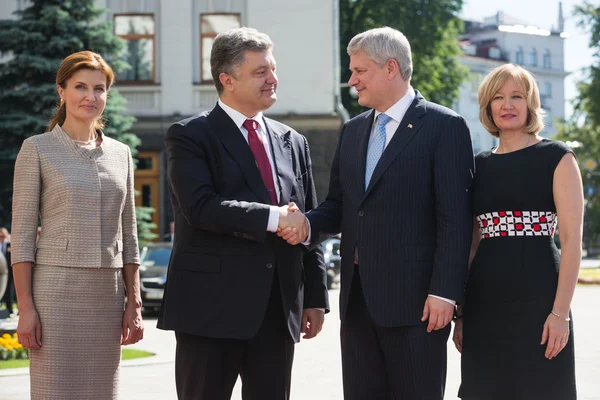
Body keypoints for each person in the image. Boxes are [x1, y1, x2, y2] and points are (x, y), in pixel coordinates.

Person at [279, 27, 474, 399]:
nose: (351, 81)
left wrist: (446, 293)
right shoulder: (352, 131)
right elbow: (338, 206)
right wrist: (305, 224)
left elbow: (455, 219)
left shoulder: (444, 127)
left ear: (390, 68)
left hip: (419, 307)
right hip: (358, 305)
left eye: (359, 71)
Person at [156, 27, 329, 400]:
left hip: (276, 312)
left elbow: (307, 220)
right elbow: (201, 207)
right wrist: (274, 217)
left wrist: (314, 297)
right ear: (227, 79)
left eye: (273, 69)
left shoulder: (293, 141)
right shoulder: (189, 135)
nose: (273, 79)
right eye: (260, 72)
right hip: (210, 310)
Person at [11, 50, 143, 399]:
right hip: (56, 294)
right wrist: (26, 308)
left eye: (99, 89)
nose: (90, 96)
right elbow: (22, 238)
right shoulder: (36, 150)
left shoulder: (121, 154)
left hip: (108, 296)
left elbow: (129, 235)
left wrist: (135, 303)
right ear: (62, 91)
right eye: (80, 87)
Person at [452, 63, 581, 399]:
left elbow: (571, 242)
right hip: (485, 307)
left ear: (530, 104)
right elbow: (471, 244)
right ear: (487, 106)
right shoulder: (477, 165)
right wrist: (462, 314)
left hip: (541, 305)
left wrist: (560, 313)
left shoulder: (557, 157)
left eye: (516, 97)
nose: (507, 105)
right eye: (498, 97)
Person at [0, 227, 14, 317]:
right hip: (1, 272)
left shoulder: (10, 244)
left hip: (9, 272)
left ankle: (10, 310)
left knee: (10, 291)